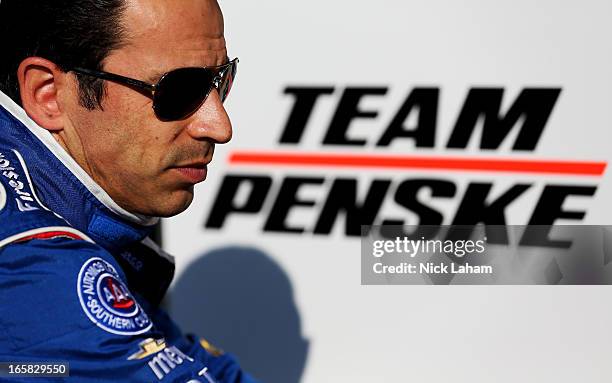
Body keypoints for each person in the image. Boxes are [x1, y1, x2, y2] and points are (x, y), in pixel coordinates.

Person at [0, 0, 258, 382]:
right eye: (179, 90)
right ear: (48, 93)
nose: (219, 126)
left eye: (221, 81)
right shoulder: (38, 272)